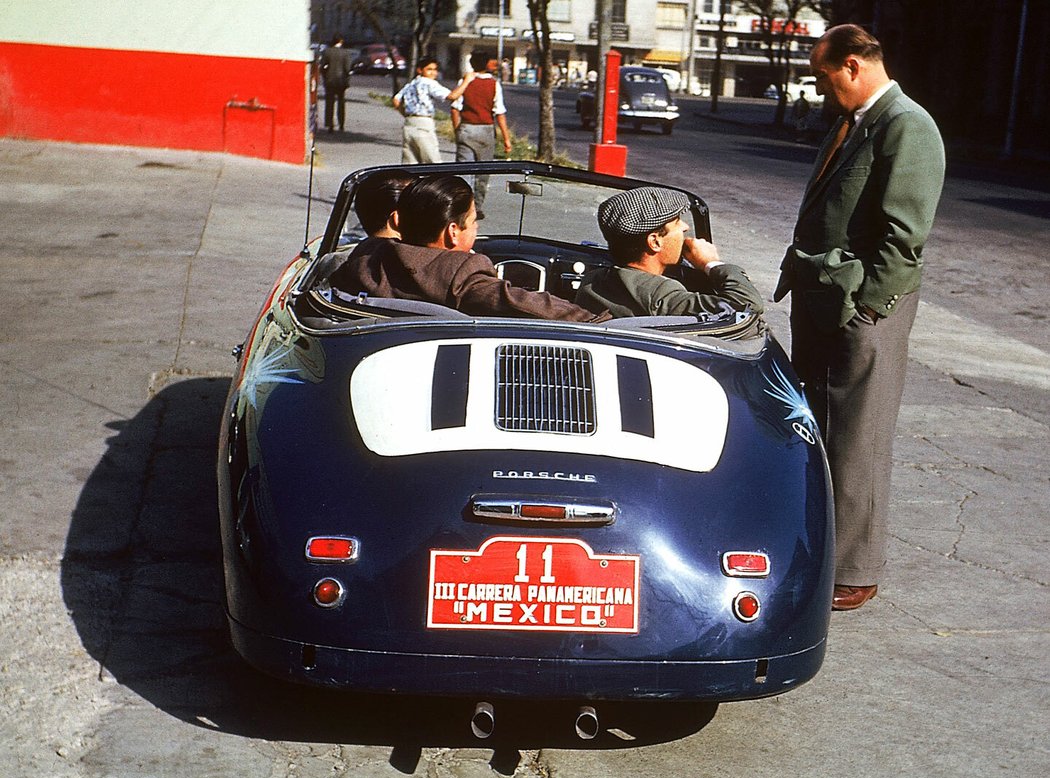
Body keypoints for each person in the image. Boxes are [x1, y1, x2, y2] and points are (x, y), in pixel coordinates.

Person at [772, 24, 945, 611]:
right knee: (819, 425)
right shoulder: (856, 124)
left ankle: (856, 569)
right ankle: (823, 551)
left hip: (861, 310)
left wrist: (868, 307)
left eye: (824, 77)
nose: (822, 90)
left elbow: (905, 237)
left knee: (858, 436)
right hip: (824, 301)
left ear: (851, 65)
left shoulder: (907, 125)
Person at [330, 174, 609, 322]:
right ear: (453, 232)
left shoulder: (368, 256)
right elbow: (528, 305)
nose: (476, 229)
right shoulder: (460, 272)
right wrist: (601, 320)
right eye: (473, 222)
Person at [575, 187, 764, 319]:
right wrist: (712, 263)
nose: (685, 227)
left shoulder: (593, 281)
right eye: (676, 222)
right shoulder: (660, 295)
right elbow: (747, 305)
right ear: (655, 241)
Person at [450, 52, 512, 208]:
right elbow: (500, 113)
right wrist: (506, 139)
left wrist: (458, 129)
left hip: (467, 128)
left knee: (464, 170)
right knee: (483, 171)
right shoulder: (494, 84)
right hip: (486, 130)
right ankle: (477, 206)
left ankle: (463, 205)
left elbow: (455, 109)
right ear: (486, 65)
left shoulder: (465, 81)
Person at [393, 58, 476, 164]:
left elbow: (396, 100)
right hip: (424, 123)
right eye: (429, 69)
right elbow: (452, 96)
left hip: (409, 123)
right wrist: (466, 81)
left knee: (410, 162)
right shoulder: (429, 83)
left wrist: (405, 113)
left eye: (435, 69)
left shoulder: (412, 84)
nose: (433, 72)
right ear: (420, 70)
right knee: (432, 160)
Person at [320, 36, 354, 133]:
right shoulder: (346, 53)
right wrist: (347, 79)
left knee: (329, 103)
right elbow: (348, 69)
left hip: (330, 81)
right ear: (341, 41)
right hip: (341, 81)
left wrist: (325, 77)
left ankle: (330, 124)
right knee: (341, 103)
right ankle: (341, 124)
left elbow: (323, 67)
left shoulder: (327, 52)